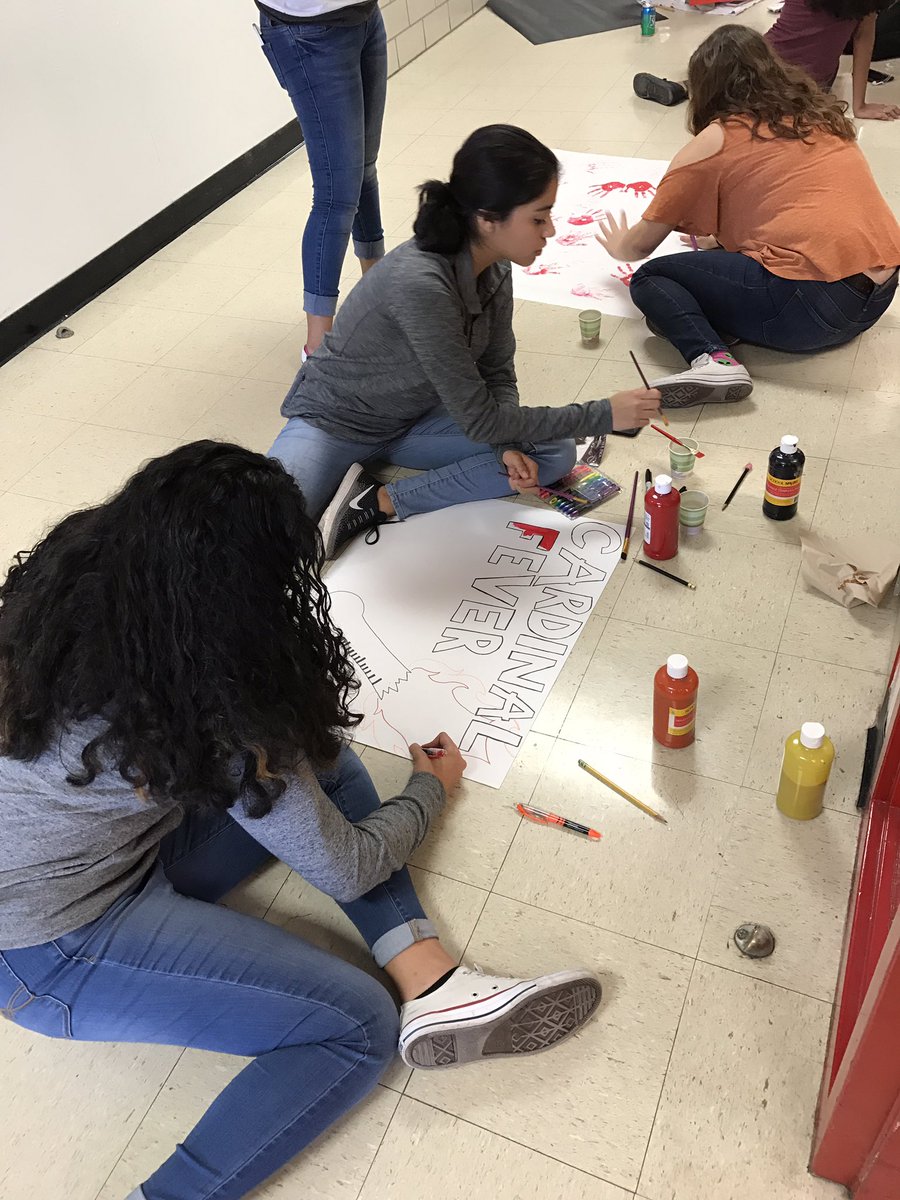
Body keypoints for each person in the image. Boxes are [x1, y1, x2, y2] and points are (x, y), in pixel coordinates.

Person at [0, 442, 602, 1200]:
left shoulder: (81, 570)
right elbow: (345, 865)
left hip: (86, 859)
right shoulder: (211, 703)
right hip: (42, 945)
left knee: (319, 756)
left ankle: (432, 981)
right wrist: (429, 791)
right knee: (353, 1027)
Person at [268, 124, 661, 559]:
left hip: (411, 419)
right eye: (538, 217)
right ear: (487, 219)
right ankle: (351, 486)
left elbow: (496, 371)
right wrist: (603, 414)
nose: (549, 230)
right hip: (333, 421)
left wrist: (505, 444)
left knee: (551, 453)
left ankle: (376, 502)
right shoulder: (421, 283)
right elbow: (481, 421)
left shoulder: (495, 266)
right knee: (266, 534)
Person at [597, 26, 900, 407]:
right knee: (715, 275)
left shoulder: (717, 138)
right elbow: (791, 202)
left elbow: (641, 245)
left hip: (812, 310)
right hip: (877, 298)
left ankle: (713, 359)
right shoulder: (818, 117)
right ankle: (726, 321)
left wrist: (619, 246)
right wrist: (720, 243)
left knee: (652, 279)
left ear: (705, 88)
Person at [256, 1, 388, 357]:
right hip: (308, 32)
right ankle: (316, 355)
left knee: (363, 171)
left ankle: (378, 304)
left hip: (362, 15)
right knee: (336, 196)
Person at [634, 0, 900, 120]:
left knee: (723, 54)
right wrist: (860, 104)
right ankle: (691, 86)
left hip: (771, 66)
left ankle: (690, 86)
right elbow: (865, 37)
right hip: (813, 84)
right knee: (736, 63)